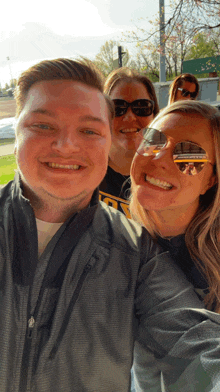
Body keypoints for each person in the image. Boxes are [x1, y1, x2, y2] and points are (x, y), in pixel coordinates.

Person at [1, 59, 220, 392]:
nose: (66, 145)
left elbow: (195, 343)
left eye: (89, 130)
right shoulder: (142, 236)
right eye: (43, 125)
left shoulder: (136, 253)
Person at [130, 100, 220, 390]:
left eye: (189, 155)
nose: (159, 159)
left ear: (211, 180)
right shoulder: (119, 239)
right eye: (153, 140)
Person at [99, 67, 159, 218]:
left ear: (154, 114)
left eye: (142, 107)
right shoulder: (86, 172)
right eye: (118, 108)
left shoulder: (168, 172)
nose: (130, 117)